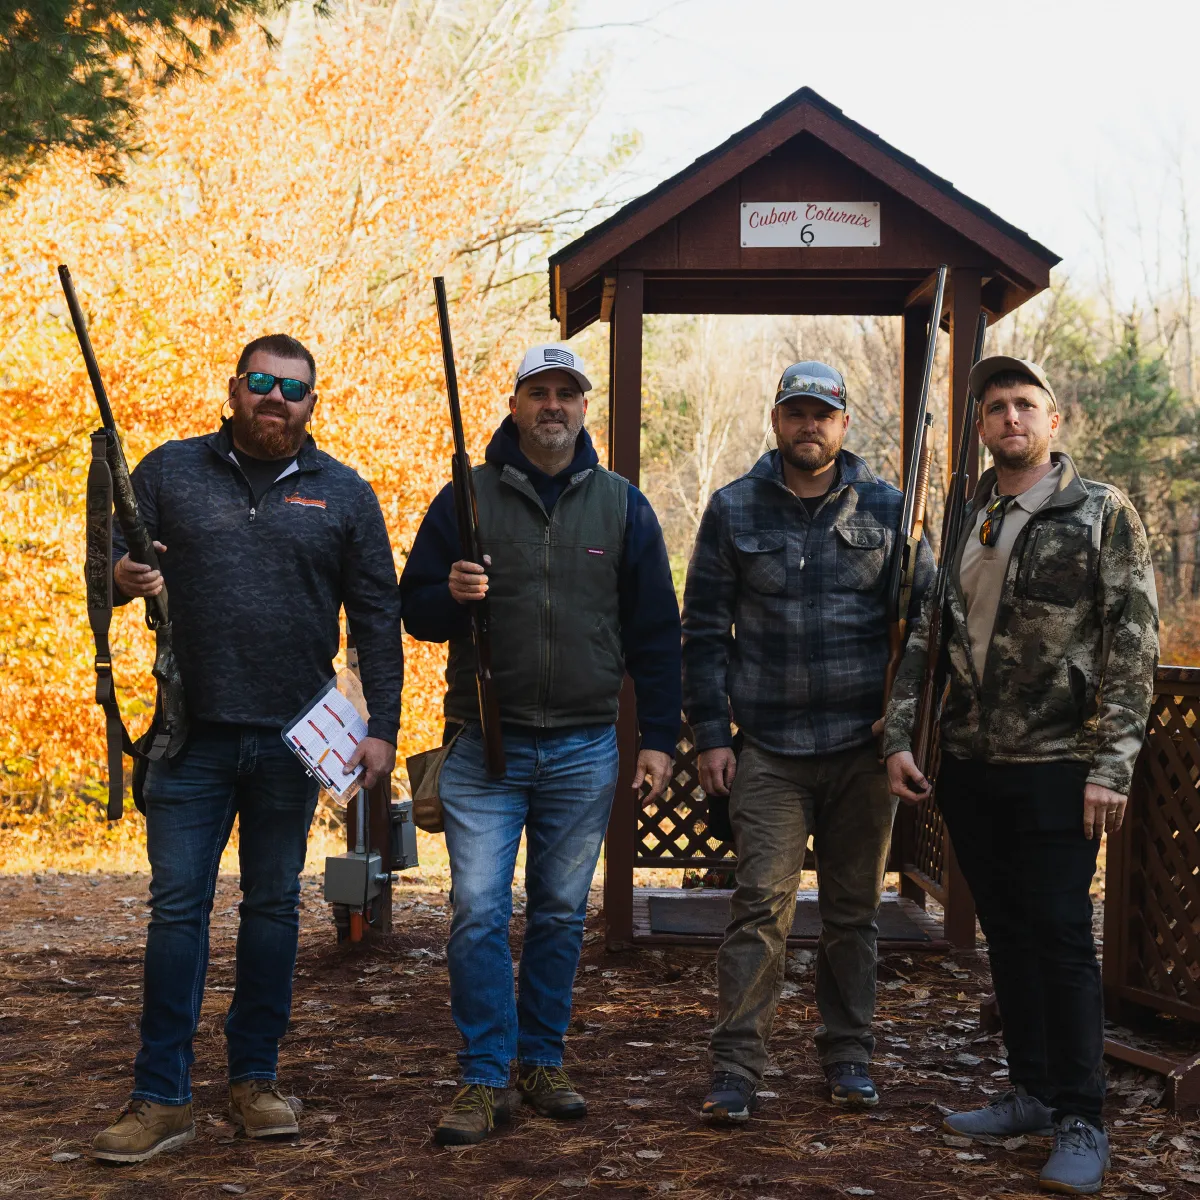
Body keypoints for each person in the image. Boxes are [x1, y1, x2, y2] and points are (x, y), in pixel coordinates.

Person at [91, 335, 403, 1164]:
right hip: (188, 737)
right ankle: (161, 1097)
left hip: (292, 742)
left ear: (313, 403)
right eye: (261, 383)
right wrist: (122, 577)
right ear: (234, 389)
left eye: (293, 389)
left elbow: (377, 617)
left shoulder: (345, 494)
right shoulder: (165, 472)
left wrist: (383, 731)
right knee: (176, 912)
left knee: (272, 910)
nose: (276, 398)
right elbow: (104, 565)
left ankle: (255, 1081)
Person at [884, 357, 1158, 1195]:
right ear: (980, 427)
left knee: (1063, 939)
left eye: (1025, 405)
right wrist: (902, 733)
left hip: (1058, 764)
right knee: (1006, 931)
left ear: (1053, 421)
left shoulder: (1100, 511)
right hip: (971, 762)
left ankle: (1082, 1117)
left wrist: (1110, 766)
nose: (1010, 417)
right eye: (996, 407)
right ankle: (1032, 1092)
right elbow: (928, 639)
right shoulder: (972, 516)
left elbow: (1133, 642)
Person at [401, 343, 681, 1146]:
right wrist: (453, 597)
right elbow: (413, 608)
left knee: (559, 914)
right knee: (478, 914)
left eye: (567, 393)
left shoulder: (624, 506)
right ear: (516, 405)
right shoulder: (466, 497)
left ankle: (540, 1059)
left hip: (586, 749)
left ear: (585, 407)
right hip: (485, 746)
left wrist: (659, 738)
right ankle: (486, 1076)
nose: (552, 406)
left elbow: (657, 633)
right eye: (539, 393)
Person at [682, 361, 933, 1123]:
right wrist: (709, 736)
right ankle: (736, 1070)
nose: (808, 425)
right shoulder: (732, 508)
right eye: (796, 411)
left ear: (843, 424)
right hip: (770, 751)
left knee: (854, 913)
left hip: (863, 753)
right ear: (776, 420)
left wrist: (900, 730)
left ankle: (848, 1055)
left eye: (822, 413)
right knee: (760, 908)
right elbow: (701, 632)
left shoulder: (893, 509)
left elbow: (925, 629)